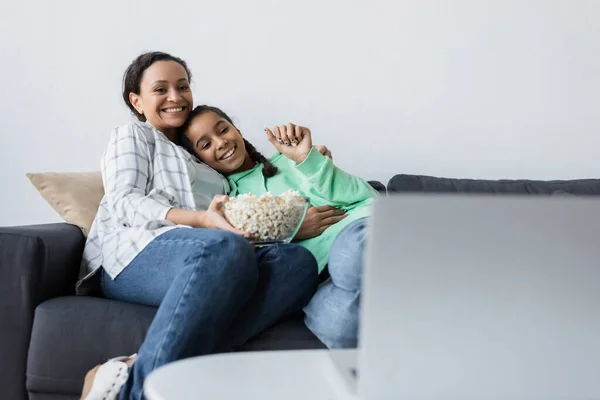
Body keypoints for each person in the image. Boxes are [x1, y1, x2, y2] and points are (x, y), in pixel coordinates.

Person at [80, 52, 340, 400]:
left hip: (208, 257)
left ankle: (137, 366)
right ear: (137, 101)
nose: (176, 96)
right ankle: (140, 394)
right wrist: (201, 220)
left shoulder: (206, 162)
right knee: (223, 246)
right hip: (131, 253)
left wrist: (306, 165)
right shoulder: (133, 136)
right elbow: (124, 201)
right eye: (161, 89)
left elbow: (244, 213)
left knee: (297, 263)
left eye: (182, 86)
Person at [178, 105, 378, 350]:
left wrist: (306, 159)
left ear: (237, 130)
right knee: (337, 328)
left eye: (223, 130)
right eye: (206, 145)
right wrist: (293, 229)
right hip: (319, 277)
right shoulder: (228, 206)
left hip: (354, 234)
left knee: (350, 259)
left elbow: (363, 194)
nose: (220, 143)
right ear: (199, 160)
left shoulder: (289, 158)